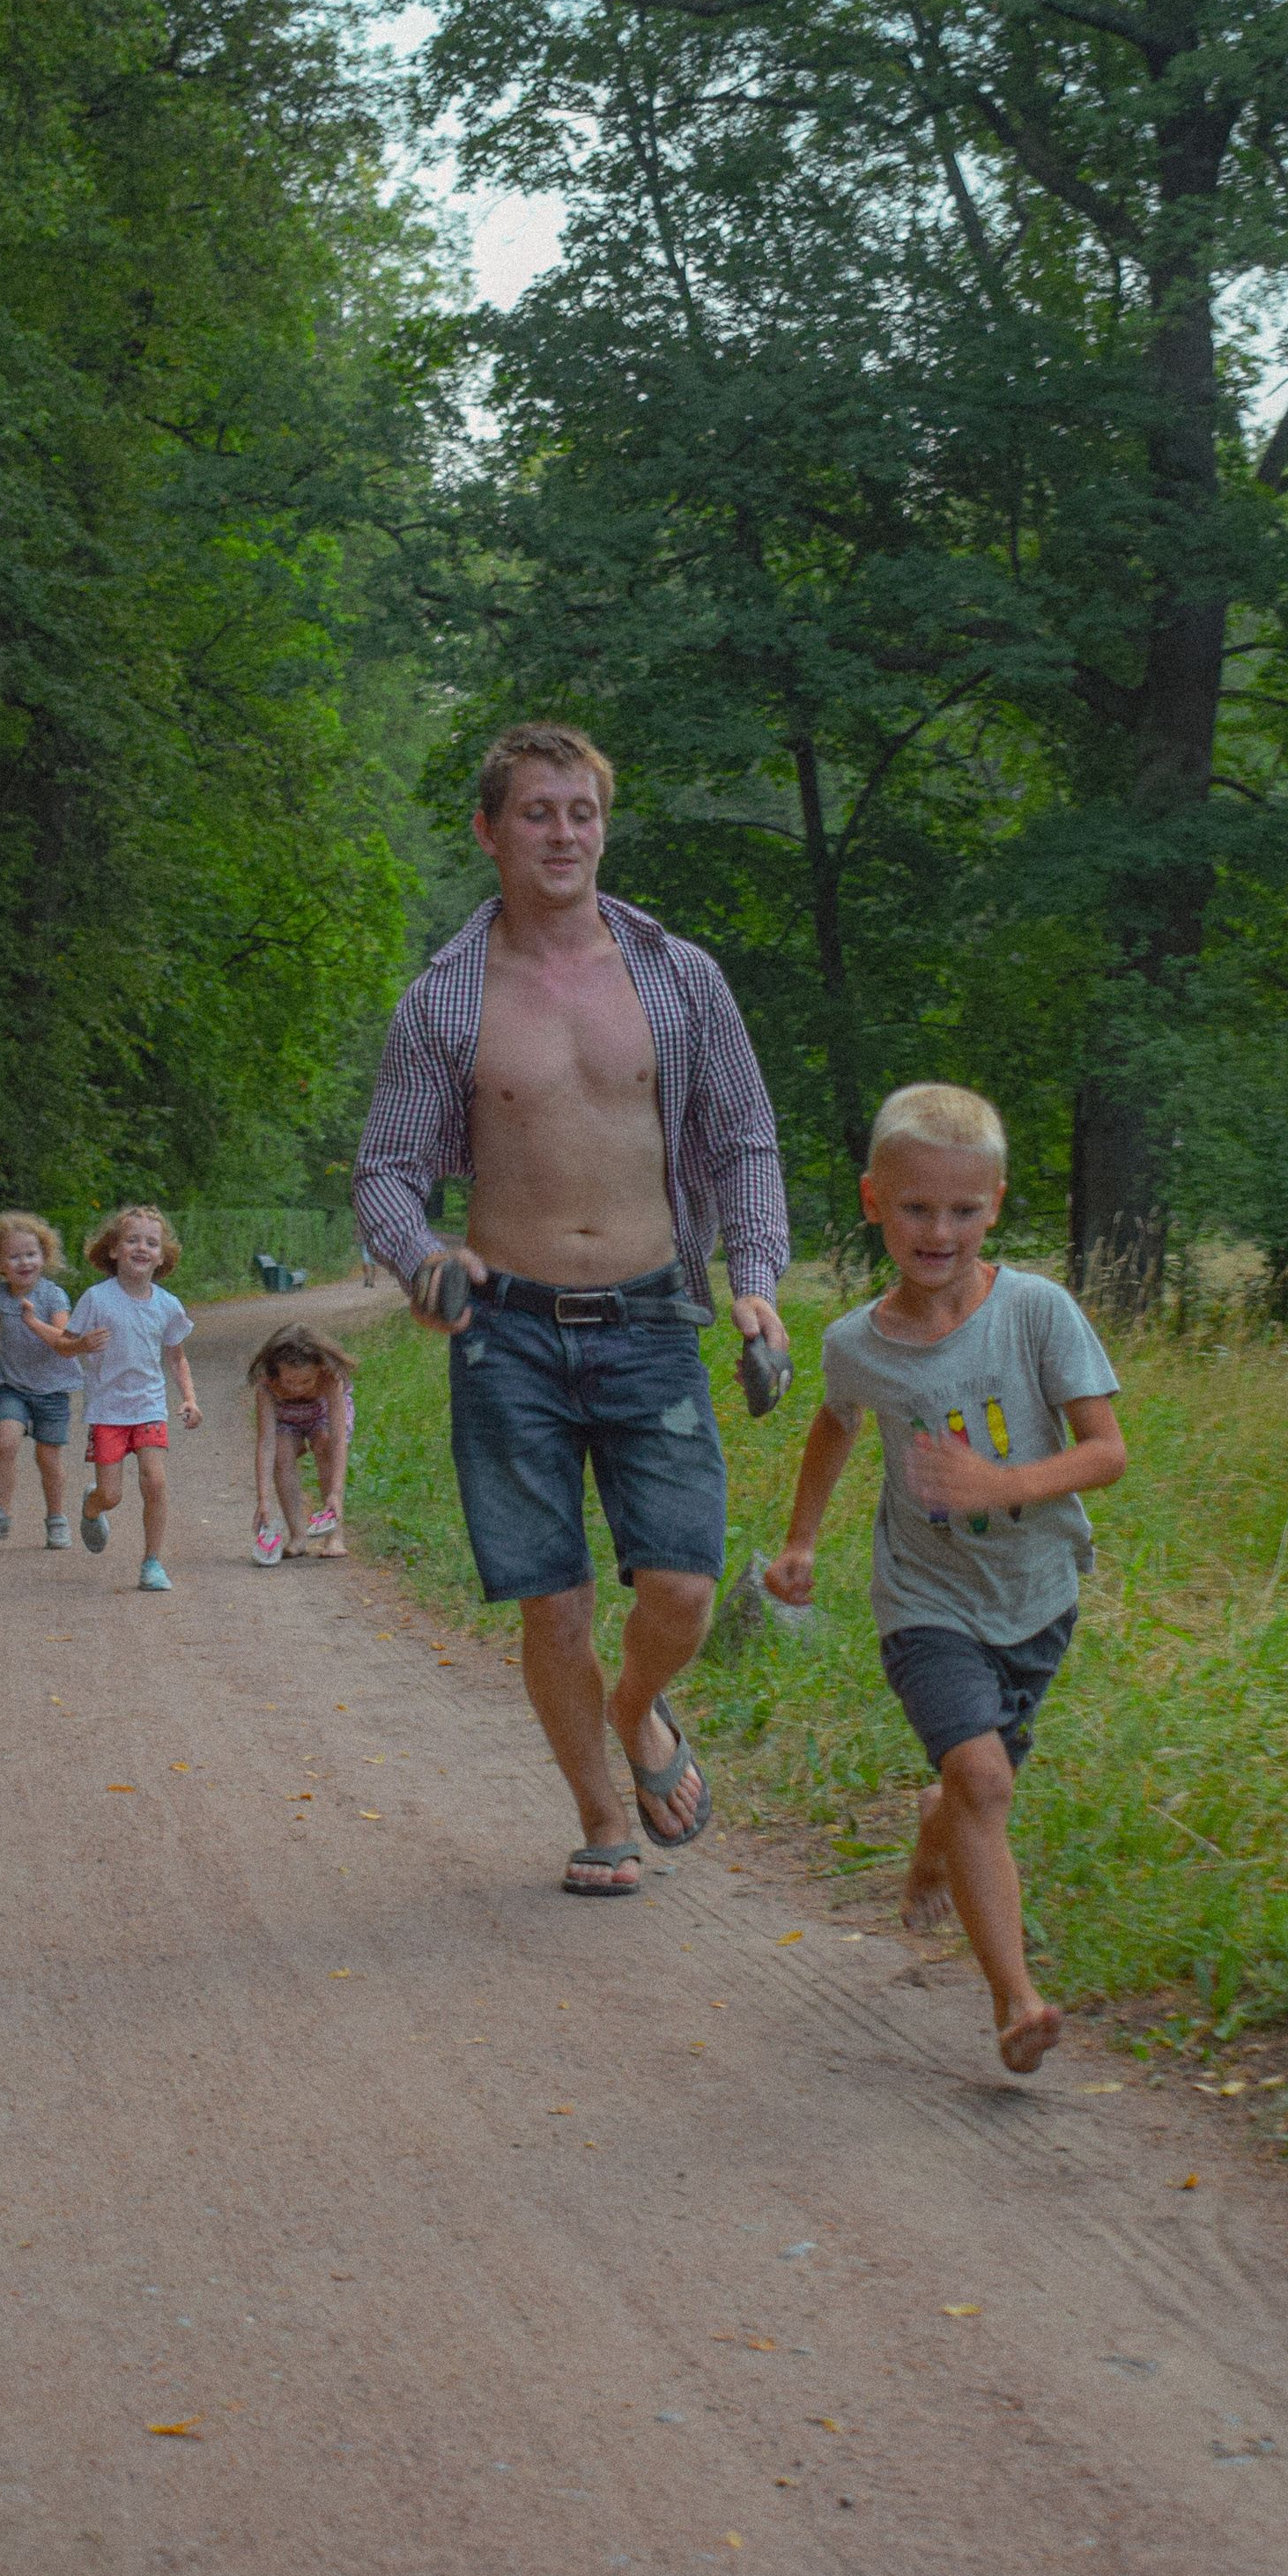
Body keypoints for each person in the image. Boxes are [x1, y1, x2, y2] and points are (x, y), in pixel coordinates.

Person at [354, 720, 789, 1899]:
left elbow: (744, 1138)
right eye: (538, 812)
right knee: (552, 1599)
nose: (564, 832)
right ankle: (601, 1817)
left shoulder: (679, 975)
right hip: (508, 1338)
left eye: (582, 811)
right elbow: (385, 1169)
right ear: (491, 832)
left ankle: (639, 1707)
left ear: (603, 827)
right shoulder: (444, 999)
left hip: (653, 1318)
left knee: (683, 1587)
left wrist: (756, 1282)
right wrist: (421, 1256)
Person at [762, 1083, 1127, 2075]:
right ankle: (1015, 2002)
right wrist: (800, 1543)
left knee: (974, 1794)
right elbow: (834, 1422)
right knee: (981, 1776)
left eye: (963, 1211)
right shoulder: (854, 1345)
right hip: (924, 1602)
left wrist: (1003, 1482)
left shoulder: (1038, 1312)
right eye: (917, 1208)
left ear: (995, 1206)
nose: (940, 1230)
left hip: (1037, 1593)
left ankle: (936, 1831)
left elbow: (1105, 1453)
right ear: (875, 1200)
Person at [27, 1204, 199, 1592]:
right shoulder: (96, 1299)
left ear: (162, 1255)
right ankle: (93, 1506)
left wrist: (190, 1398)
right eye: (132, 1240)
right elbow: (65, 1346)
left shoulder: (167, 1305)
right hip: (107, 1410)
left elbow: (176, 1355)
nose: (142, 1247)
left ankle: (152, 1563)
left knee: (155, 1482)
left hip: (149, 1406)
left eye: (151, 1242)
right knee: (113, 1494)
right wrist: (83, 1343)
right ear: (114, 1250)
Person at [0, 1213, 73, 1548]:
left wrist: (31, 1321)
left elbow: (63, 1339)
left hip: (52, 1390)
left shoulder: (53, 1296)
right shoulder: (0, 1294)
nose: (24, 1262)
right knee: (5, 1442)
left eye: (31, 1254)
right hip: (13, 1385)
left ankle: (56, 1519)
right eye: (14, 1256)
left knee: (48, 1458)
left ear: (44, 1256)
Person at [247, 1321, 356, 1565]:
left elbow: (339, 1439)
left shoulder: (330, 1378)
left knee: (324, 1444)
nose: (296, 1388)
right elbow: (266, 1444)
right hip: (287, 1418)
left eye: (306, 1382)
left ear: (319, 1369)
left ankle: (334, 1536)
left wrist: (336, 1493)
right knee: (281, 1453)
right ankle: (298, 1536)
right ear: (276, 1370)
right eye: (289, 1381)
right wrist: (263, 1499)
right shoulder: (267, 1385)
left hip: (322, 1415)